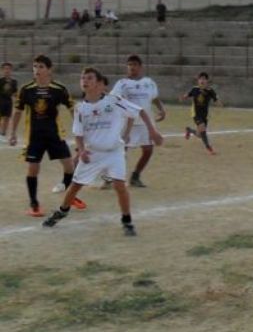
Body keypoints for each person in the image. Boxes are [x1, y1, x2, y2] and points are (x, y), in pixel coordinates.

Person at [43, 68, 163, 236]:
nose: (85, 81)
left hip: (114, 152)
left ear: (99, 84)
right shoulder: (80, 108)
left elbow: (139, 111)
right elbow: (78, 133)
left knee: (120, 186)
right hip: (93, 153)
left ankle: (127, 221)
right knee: (75, 186)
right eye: (83, 78)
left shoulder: (114, 100)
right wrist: (82, 151)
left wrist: (152, 131)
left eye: (89, 78)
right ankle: (62, 211)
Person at [8, 55, 85, 216]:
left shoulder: (59, 89)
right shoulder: (26, 89)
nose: (37, 69)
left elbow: (72, 108)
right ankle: (34, 203)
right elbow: (18, 111)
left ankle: (70, 196)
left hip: (54, 134)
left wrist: (80, 129)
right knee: (33, 169)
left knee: (69, 166)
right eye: (35, 66)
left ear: (49, 70)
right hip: (34, 136)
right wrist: (13, 132)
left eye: (41, 66)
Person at [111, 55, 166, 187]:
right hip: (127, 123)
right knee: (121, 150)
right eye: (129, 65)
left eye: (134, 64)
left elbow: (154, 98)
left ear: (140, 67)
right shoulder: (122, 83)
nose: (132, 67)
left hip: (145, 123)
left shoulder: (149, 82)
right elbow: (113, 100)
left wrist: (161, 109)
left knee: (148, 150)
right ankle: (111, 177)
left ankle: (135, 176)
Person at [181, 72, 221, 155]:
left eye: (204, 79)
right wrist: (183, 97)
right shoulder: (195, 89)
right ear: (198, 80)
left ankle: (189, 130)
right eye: (200, 79)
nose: (202, 81)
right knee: (202, 128)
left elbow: (216, 99)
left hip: (205, 115)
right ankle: (209, 147)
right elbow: (187, 95)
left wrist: (219, 104)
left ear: (207, 81)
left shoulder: (210, 91)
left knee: (199, 134)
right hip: (196, 113)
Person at [0, 62, 18, 138]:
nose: (7, 70)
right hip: (0, 100)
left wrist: (17, 100)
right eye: (5, 69)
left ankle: (3, 134)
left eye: (8, 69)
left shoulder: (14, 82)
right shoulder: (0, 80)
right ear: (2, 70)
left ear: (11, 70)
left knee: (7, 117)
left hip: (8, 102)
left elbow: (15, 92)